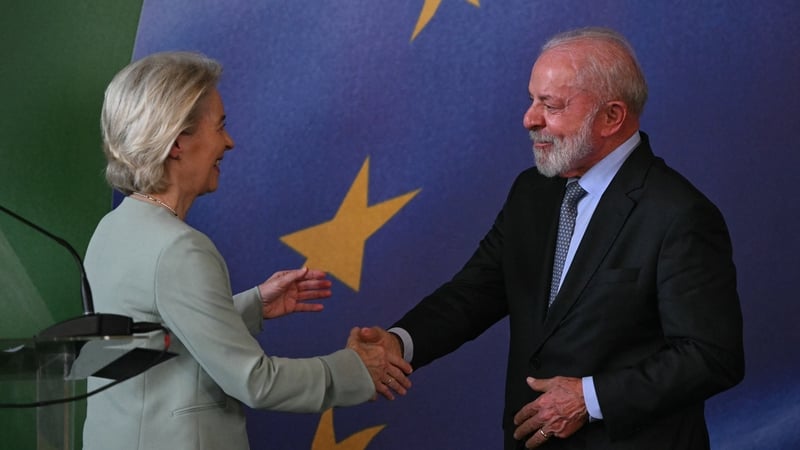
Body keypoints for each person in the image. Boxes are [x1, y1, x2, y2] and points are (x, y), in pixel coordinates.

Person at [357, 27, 744, 449]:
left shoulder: (679, 213)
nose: (530, 119)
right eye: (532, 100)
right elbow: (474, 293)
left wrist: (589, 399)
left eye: (551, 105)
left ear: (612, 117)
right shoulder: (532, 191)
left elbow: (711, 356)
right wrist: (398, 343)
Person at [82, 51, 411, 450]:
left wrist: (253, 305)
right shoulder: (180, 249)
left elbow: (158, 340)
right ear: (177, 142)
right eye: (220, 126)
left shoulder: (111, 229)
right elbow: (256, 382)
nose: (229, 142)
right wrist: (355, 369)